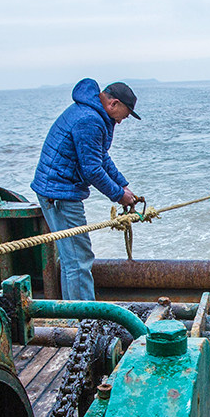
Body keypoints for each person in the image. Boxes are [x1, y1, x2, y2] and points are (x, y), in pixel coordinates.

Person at [31, 78, 142, 301]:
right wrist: (119, 196)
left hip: (56, 190)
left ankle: (75, 316)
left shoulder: (89, 112)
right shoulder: (90, 120)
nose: (121, 121)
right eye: (125, 114)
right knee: (78, 260)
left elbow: (100, 156)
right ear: (114, 104)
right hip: (59, 194)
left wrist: (123, 185)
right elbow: (92, 169)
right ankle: (85, 324)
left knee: (72, 259)